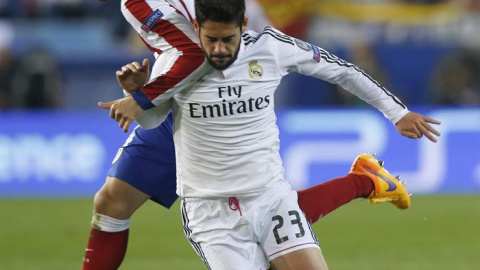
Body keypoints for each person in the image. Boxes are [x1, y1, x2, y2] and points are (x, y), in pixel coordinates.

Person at [84, 0, 439, 269]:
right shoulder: (161, 42)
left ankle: (362, 182)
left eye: (228, 39)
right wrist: (143, 96)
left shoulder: (268, 45)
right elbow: (159, 108)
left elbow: (341, 72)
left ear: (243, 26)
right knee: (112, 202)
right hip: (206, 194)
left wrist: (398, 112)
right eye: (211, 40)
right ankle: (362, 182)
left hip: (267, 190)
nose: (219, 49)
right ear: (197, 27)